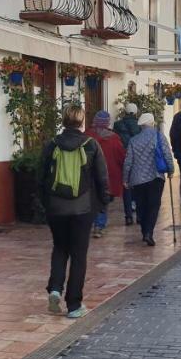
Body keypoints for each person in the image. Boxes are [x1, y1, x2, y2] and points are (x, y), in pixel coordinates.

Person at [39, 105, 110, 318]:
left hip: (56, 206)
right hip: (83, 207)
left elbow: (40, 177)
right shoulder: (91, 145)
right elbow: (102, 177)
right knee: (79, 254)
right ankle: (74, 304)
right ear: (81, 122)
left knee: (60, 247)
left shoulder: (51, 145)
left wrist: (45, 203)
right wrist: (104, 202)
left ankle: (54, 288)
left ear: (64, 121)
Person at [123, 112, 174, 246]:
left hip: (137, 179)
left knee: (141, 205)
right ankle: (148, 233)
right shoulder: (158, 136)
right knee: (153, 205)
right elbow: (167, 153)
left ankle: (144, 230)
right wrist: (171, 169)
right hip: (155, 177)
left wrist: (125, 178)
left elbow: (128, 161)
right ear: (152, 123)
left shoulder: (133, 140)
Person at [85, 111, 126, 239]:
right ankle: (99, 226)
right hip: (108, 176)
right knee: (103, 200)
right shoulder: (114, 138)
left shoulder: (87, 136)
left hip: (89, 174)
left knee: (90, 199)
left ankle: (89, 224)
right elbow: (121, 157)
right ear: (108, 122)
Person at [112, 103, 142, 225]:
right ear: (135, 112)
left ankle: (128, 216)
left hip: (123, 157)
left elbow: (115, 140)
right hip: (137, 159)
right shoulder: (139, 125)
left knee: (126, 187)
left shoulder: (117, 124)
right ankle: (139, 216)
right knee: (138, 186)